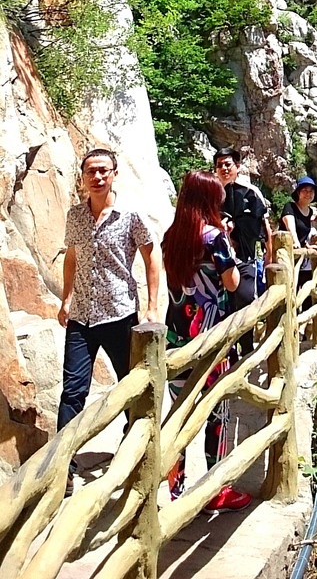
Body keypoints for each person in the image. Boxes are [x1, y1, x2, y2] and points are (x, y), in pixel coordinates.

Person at [57, 148, 161, 495]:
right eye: (91, 172)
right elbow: (71, 257)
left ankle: (134, 452)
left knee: (130, 387)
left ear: (114, 173)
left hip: (119, 314)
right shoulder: (75, 216)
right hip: (81, 318)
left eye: (103, 171)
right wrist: (65, 298)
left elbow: (151, 255)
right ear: (83, 177)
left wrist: (151, 306)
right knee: (72, 392)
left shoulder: (130, 215)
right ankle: (63, 468)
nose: (97, 177)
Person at [162, 169, 251, 512]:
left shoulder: (171, 236)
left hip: (177, 338)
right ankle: (216, 489)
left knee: (180, 413)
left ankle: (175, 489)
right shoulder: (214, 237)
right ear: (208, 200)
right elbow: (230, 284)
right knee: (216, 412)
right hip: (210, 338)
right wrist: (225, 243)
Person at [214, 147, 272, 355]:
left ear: (237, 167)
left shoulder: (250, 192)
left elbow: (266, 229)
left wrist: (268, 259)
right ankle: (228, 355)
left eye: (227, 164)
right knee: (224, 307)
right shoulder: (212, 194)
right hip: (217, 260)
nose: (223, 169)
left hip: (245, 257)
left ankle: (246, 350)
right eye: (219, 165)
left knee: (246, 300)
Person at [281, 176, 317, 296]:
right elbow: (290, 226)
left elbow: (305, 234)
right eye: (304, 190)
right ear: (298, 192)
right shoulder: (290, 207)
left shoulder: (310, 212)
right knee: (289, 292)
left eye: (311, 191)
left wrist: (308, 246)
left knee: (305, 291)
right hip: (287, 253)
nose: (308, 194)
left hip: (301, 256)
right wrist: (295, 242)